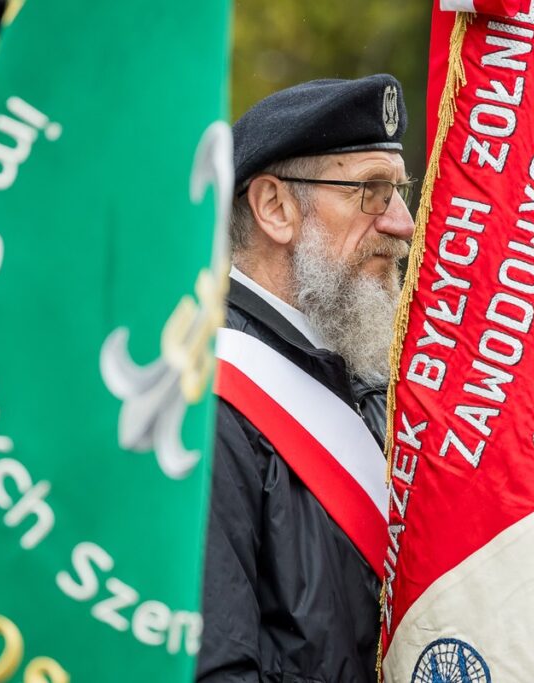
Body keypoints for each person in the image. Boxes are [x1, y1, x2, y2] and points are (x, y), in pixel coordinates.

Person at [197, 74, 415, 682]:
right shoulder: (209, 398)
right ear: (274, 208)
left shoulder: (361, 381)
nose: (401, 223)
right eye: (370, 192)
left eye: (399, 192)